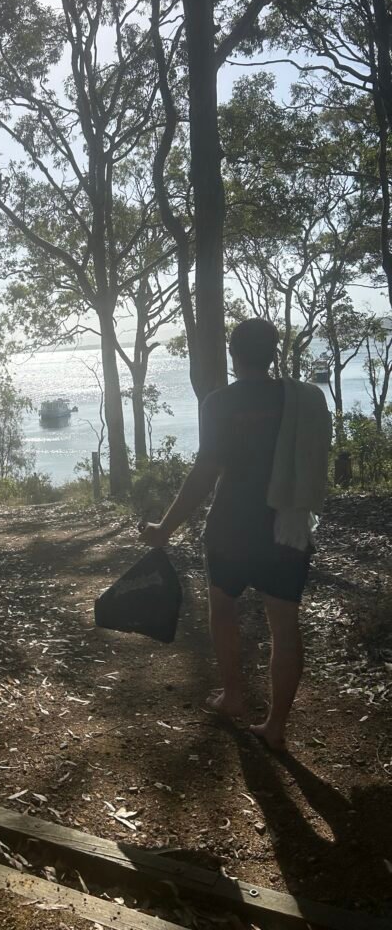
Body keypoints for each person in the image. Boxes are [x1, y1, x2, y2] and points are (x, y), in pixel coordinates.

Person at [140, 318, 331, 751]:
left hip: (230, 524)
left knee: (222, 607)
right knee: (284, 625)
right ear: (273, 353)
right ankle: (276, 726)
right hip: (287, 524)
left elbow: (206, 471)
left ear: (233, 355)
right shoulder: (302, 399)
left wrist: (164, 529)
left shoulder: (218, 402)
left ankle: (233, 696)